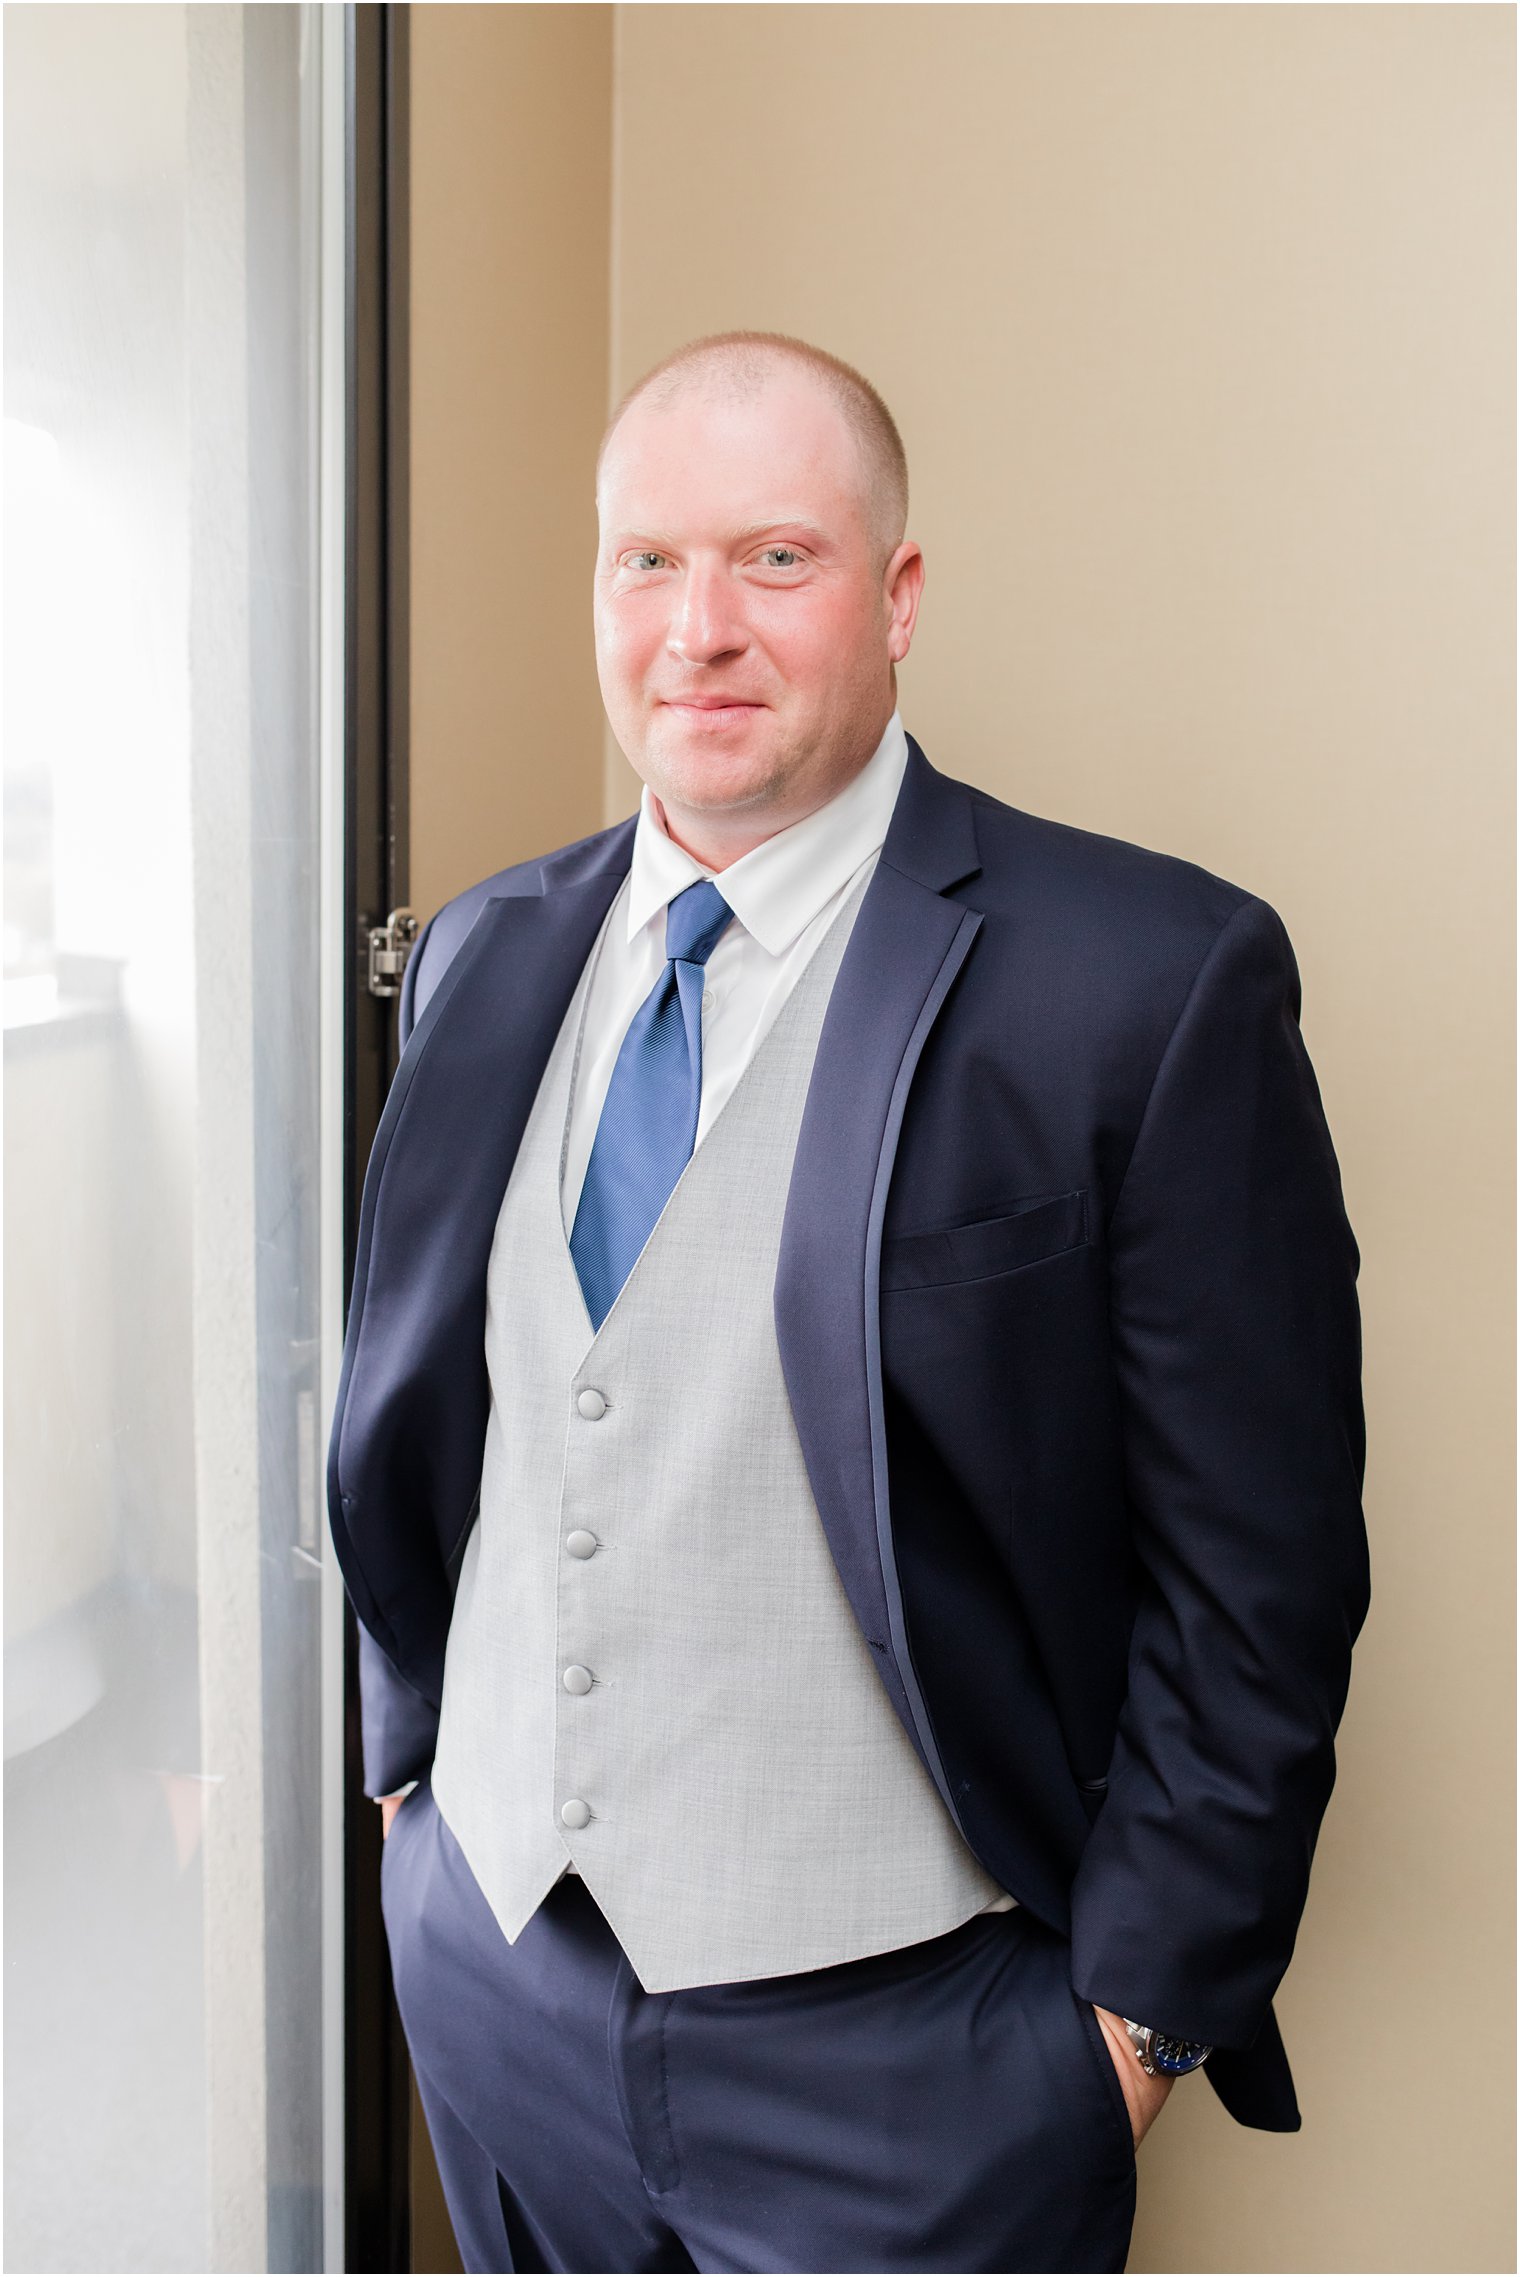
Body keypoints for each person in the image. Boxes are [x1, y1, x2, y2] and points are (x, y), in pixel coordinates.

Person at [327, 331, 1368, 2275]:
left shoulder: (1143, 980)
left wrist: (1129, 2027)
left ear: (896, 595)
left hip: (906, 2060)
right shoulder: (481, 949)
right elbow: (441, 1412)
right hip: (490, 1976)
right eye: (646, 561)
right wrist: (407, 1787)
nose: (697, 627)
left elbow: (1261, 1575)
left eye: (773, 559)